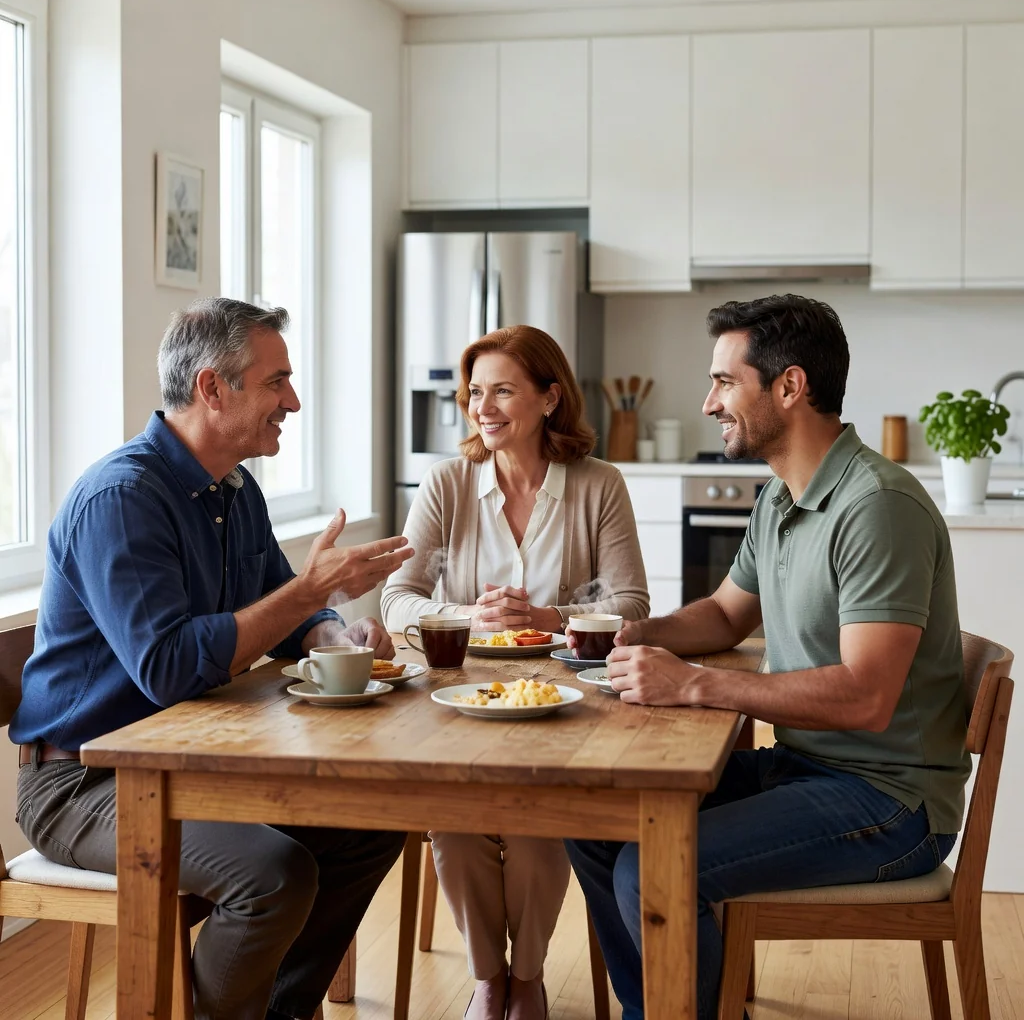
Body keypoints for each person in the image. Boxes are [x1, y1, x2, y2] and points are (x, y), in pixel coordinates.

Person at [565, 294, 970, 1020]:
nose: (709, 400)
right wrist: (631, 636)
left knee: (653, 871)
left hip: (889, 802)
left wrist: (694, 686)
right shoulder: (782, 499)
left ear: (789, 386)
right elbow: (724, 613)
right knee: (594, 820)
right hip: (806, 768)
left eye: (725, 381)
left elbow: (865, 698)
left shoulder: (876, 506)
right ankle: (662, 1010)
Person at [10, 298, 416, 1020]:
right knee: (273, 874)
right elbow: (168, 666)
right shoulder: (123, 498)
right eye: (276, 382)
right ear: (211, 388)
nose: (292, 401)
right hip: (84, 782)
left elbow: (282, 612)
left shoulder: (234, 488)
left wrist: (332, 636)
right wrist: (306, 594)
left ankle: (275, 1012)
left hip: (188, 763)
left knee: (370, 823)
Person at [382, 324, 649, 1020]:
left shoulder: (599, 485)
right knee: (455, 816)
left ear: (550, 397)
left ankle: (527, 977)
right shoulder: (447, 483)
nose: (483, 407)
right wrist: (469, 614)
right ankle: (488, 980)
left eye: (503, 390)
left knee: (538, 817)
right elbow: (395, 599)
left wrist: (550, 616)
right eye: (475, 392)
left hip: (570, 700)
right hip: (460, 697)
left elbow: (632, 605)